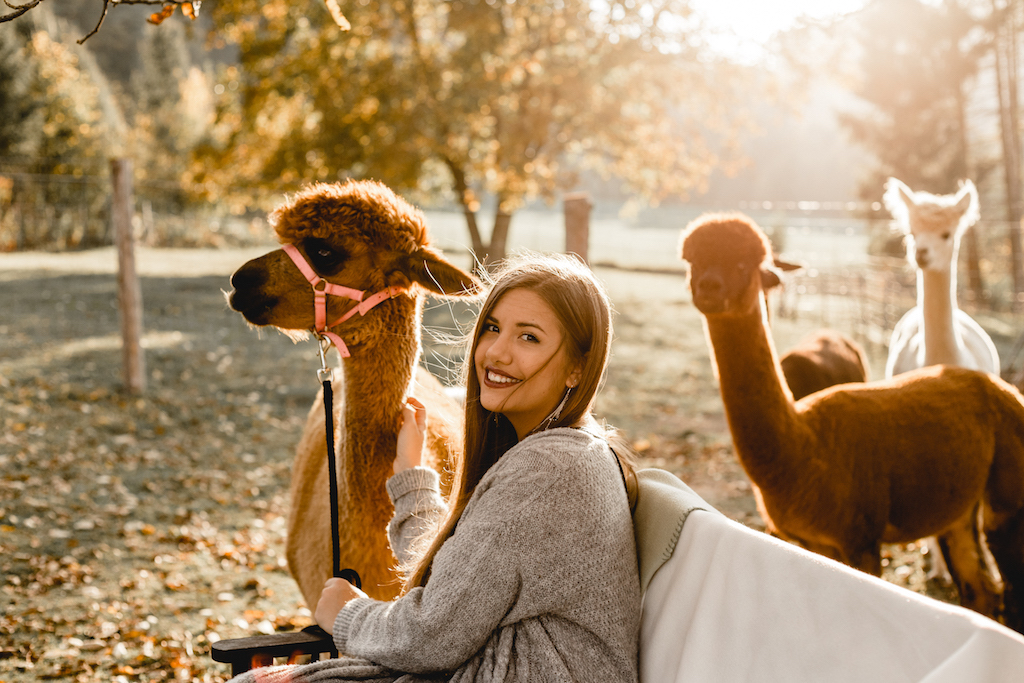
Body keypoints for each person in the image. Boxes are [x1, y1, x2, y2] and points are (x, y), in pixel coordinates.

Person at [229, 252, 641, 683]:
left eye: (529, 338)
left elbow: (430, 635)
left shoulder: (547, 472)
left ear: (578, 367)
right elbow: (458, 580)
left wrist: (347, 616)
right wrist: (412, 478)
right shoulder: (554, 453)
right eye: (493, 329)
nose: (496, 353)